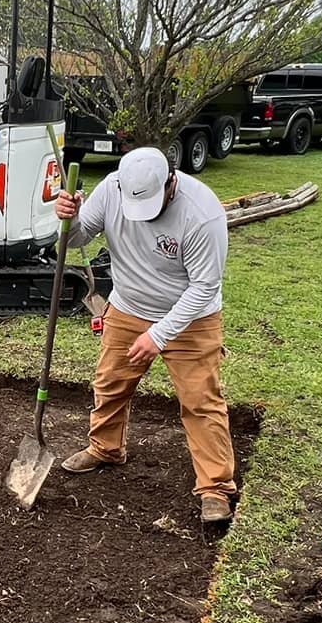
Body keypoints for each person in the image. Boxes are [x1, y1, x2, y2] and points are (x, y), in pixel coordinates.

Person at [53, 145, 236, 527]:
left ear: (171, 182)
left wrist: (158, 336)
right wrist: (68, 218)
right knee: (110, 383)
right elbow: (77, 239)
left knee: (201, 400)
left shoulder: (202, 214)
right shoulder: (111, 189)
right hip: (129, 306)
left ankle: (215, 488)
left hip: (191, 317)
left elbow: (204, 287)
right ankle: (105, 448)